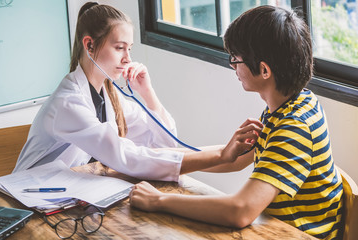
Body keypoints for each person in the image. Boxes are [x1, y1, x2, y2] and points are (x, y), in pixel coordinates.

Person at [129, 5, 343, 240]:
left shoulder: (294, 128)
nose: (232, 65)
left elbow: (240, 210)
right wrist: (153, 158)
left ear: (264, 70)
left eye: (236, 59)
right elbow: (234, 158)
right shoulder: (293, 104)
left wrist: (158, 200)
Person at [13, 2, 261, 182]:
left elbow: (165, 142)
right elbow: (125, 157)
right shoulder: (69, 103)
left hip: (64, 194)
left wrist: (148, 92)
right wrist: (220, 155)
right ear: (89, 45)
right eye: (120, 48)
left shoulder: (110, 95)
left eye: (129, 48)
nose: (128, 59)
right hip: (28, 199)